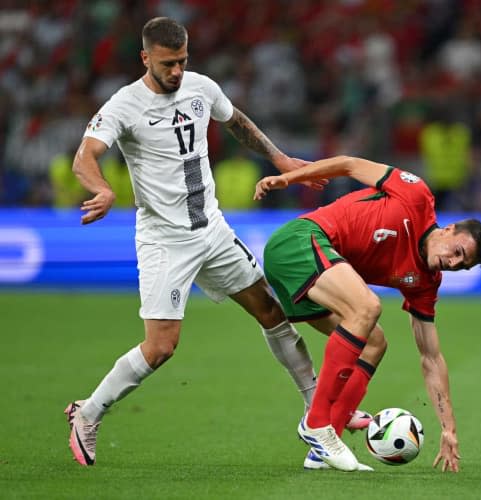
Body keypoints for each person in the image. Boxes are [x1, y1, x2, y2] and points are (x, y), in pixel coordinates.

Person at [63, 17, 371, 468]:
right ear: (145, 58)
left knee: (271, 309)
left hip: (212, 230)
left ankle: (317, 415)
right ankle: (88, 413)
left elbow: (236, 121)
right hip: (165, 241)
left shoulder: (200, 87)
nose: (177, 72)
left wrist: (280, 157)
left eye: (183, 61)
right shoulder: (124, 105)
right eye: (168, 64)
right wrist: (103, 189)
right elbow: (84, 156)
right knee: (161, 347)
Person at [254, 155, 481, 472]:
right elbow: (350, 164)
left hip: (310, 276)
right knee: (367, 307)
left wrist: (449, 428)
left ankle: (324, 447)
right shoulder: (417, 197)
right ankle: (317, 422)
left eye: (460, 265)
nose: (452, 263)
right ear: (449, 229)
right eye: (457, 252)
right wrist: (289, 178)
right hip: (298, 241)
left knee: (374, 343)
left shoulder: (425, 282)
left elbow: (431, 358)